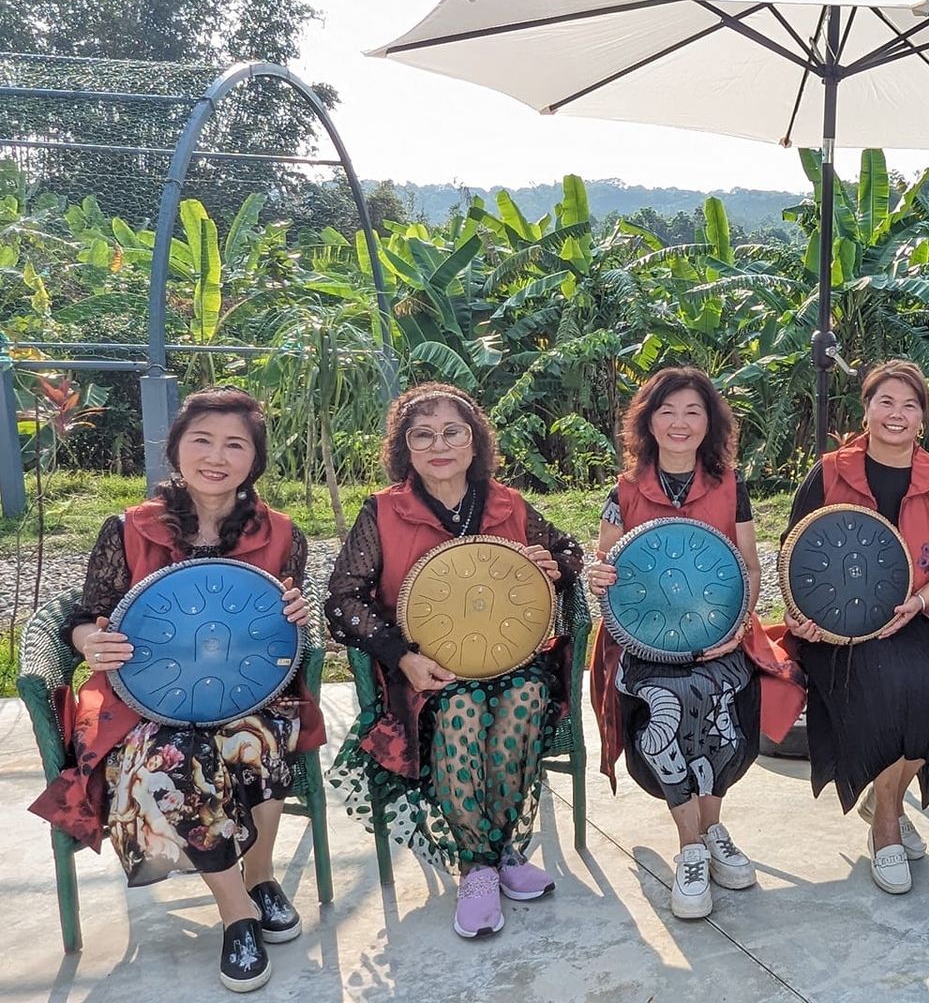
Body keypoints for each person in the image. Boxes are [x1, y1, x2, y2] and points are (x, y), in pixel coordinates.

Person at [30, 386, 320, 992]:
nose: (217, 456)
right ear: (177, 450)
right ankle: (238, 910)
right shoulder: (129, 528)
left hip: (250, 694)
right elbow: (86, 613)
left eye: (235, 444)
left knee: (261, 737)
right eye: (202, 441)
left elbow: (282, 627)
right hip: (144, 704)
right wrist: (89, 639)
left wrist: (297, 611)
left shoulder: (282, 533)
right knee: (174, 758)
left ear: (254, 460)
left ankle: (261, 872)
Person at [326, 383, 584, 939]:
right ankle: (480, 865)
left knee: (525, 700)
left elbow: (569, 551)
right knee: (464, 712)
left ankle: (496, 852)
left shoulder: (508, 504)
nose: (438, 444)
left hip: (510, 659)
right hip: (427, 669)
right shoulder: (383, 512)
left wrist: (552, 563)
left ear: (474, 444)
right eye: (422, 435)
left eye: (452, 432)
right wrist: (402, 658)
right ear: (406, 449)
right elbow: (342, 601)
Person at [584, 367, 804, 920]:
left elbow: (749, 566)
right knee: (672, 706)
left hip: (722, 635)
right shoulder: (626, 489)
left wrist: (737, 623)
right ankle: (690, 848)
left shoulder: (730, 484)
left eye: (692, 412)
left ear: (710, 422)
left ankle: (713, 829)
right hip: (645, 644)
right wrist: (599, 575)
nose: (680, 423)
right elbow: (606, 564)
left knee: (724, 701)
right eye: (668, 412)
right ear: (648, 422)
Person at [774, 360, 929, 895]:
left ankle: (883, 801)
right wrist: (807, 617)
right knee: (884, 686)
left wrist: (917, 600)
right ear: (865, 411)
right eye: (885, 402)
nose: (897, 413)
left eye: (910, 405)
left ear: (923, 419)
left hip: (920, 612)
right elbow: (794, 549)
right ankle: (887, 828)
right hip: (838, 626)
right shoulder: (829, 471)